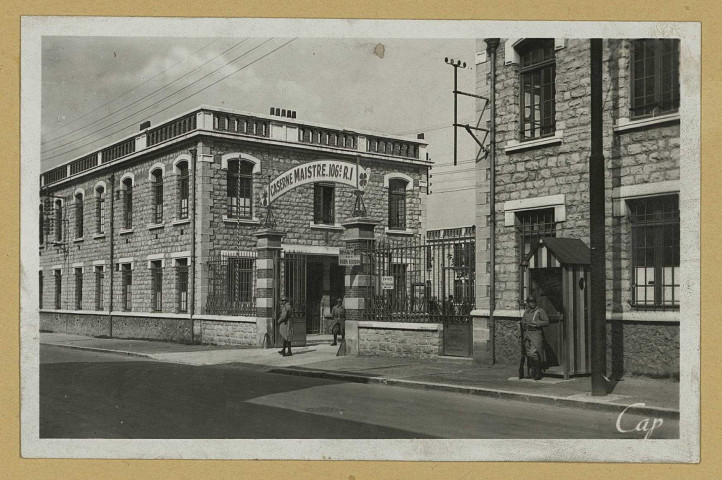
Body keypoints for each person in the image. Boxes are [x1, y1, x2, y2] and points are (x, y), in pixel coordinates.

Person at [520, 295, 549, 380]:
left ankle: (538, 372)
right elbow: (523, 322)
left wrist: (536, 323)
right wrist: (524, 324)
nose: (532, 304)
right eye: (530, 302)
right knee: (529, 354)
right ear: (528, 303)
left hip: (536, 335)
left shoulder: (540, 311)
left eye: (533, 302)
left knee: (534, 353)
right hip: (527, 335)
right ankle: (533, 372)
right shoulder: (526, 312)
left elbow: (546, 322)